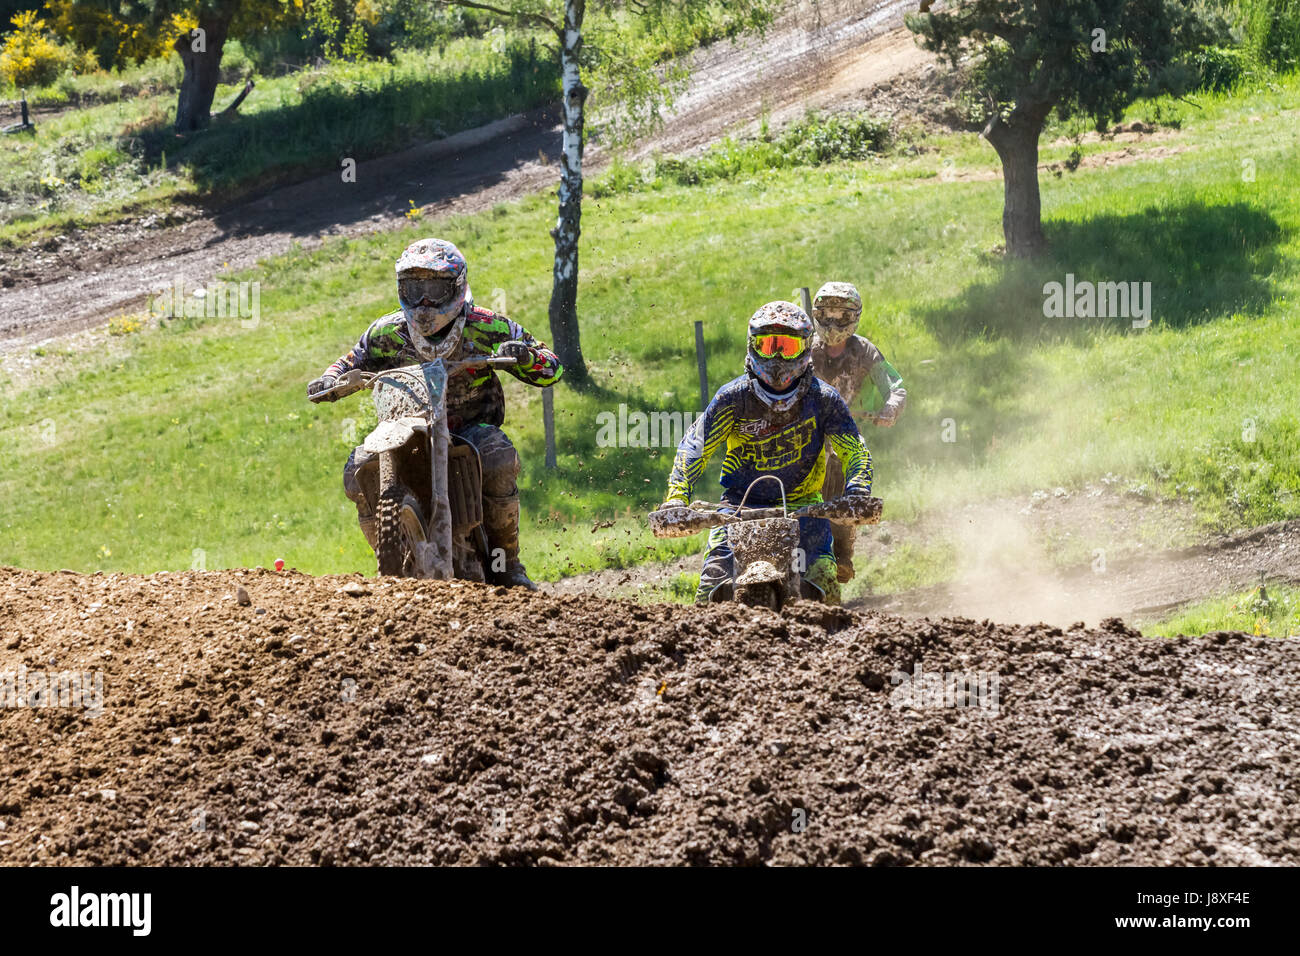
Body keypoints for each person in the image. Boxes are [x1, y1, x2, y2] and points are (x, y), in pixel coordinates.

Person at [307, 237, 562, 589]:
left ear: (456, 287)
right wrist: (329, 380)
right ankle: (393, 554)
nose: (424, 301)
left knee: (498, 457)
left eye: (434, 288)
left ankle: (508, 564)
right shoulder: (387, 332)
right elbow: (352, 360)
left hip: (469, 429)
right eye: (414, 288)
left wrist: (525, 356)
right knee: (356, 471)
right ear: (401, 289)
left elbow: (552, 368)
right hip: (403, 429)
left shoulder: (486, 325)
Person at [659, 301, 873, 605]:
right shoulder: (732, 398)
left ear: (805, 348)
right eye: (768, 345)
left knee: (827, 590)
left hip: (805, 509)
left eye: (786, 346)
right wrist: (676, 498)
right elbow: (694, 449)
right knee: (708, 596)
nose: (776, 357)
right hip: (737, 510)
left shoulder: (823, 399)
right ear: (752, 346)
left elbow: (854, 450)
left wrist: (858, 490)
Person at [809, 281, 906, 583]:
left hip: (844, 431)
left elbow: (895, 386)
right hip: (806, 429)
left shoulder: (864, 351)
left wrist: (890, 407)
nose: (833, 323)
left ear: (853, 318)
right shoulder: (804, 349)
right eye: (827, 315)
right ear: (817, 315)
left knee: (847, 468)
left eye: (841, 316)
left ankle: (842, 553)